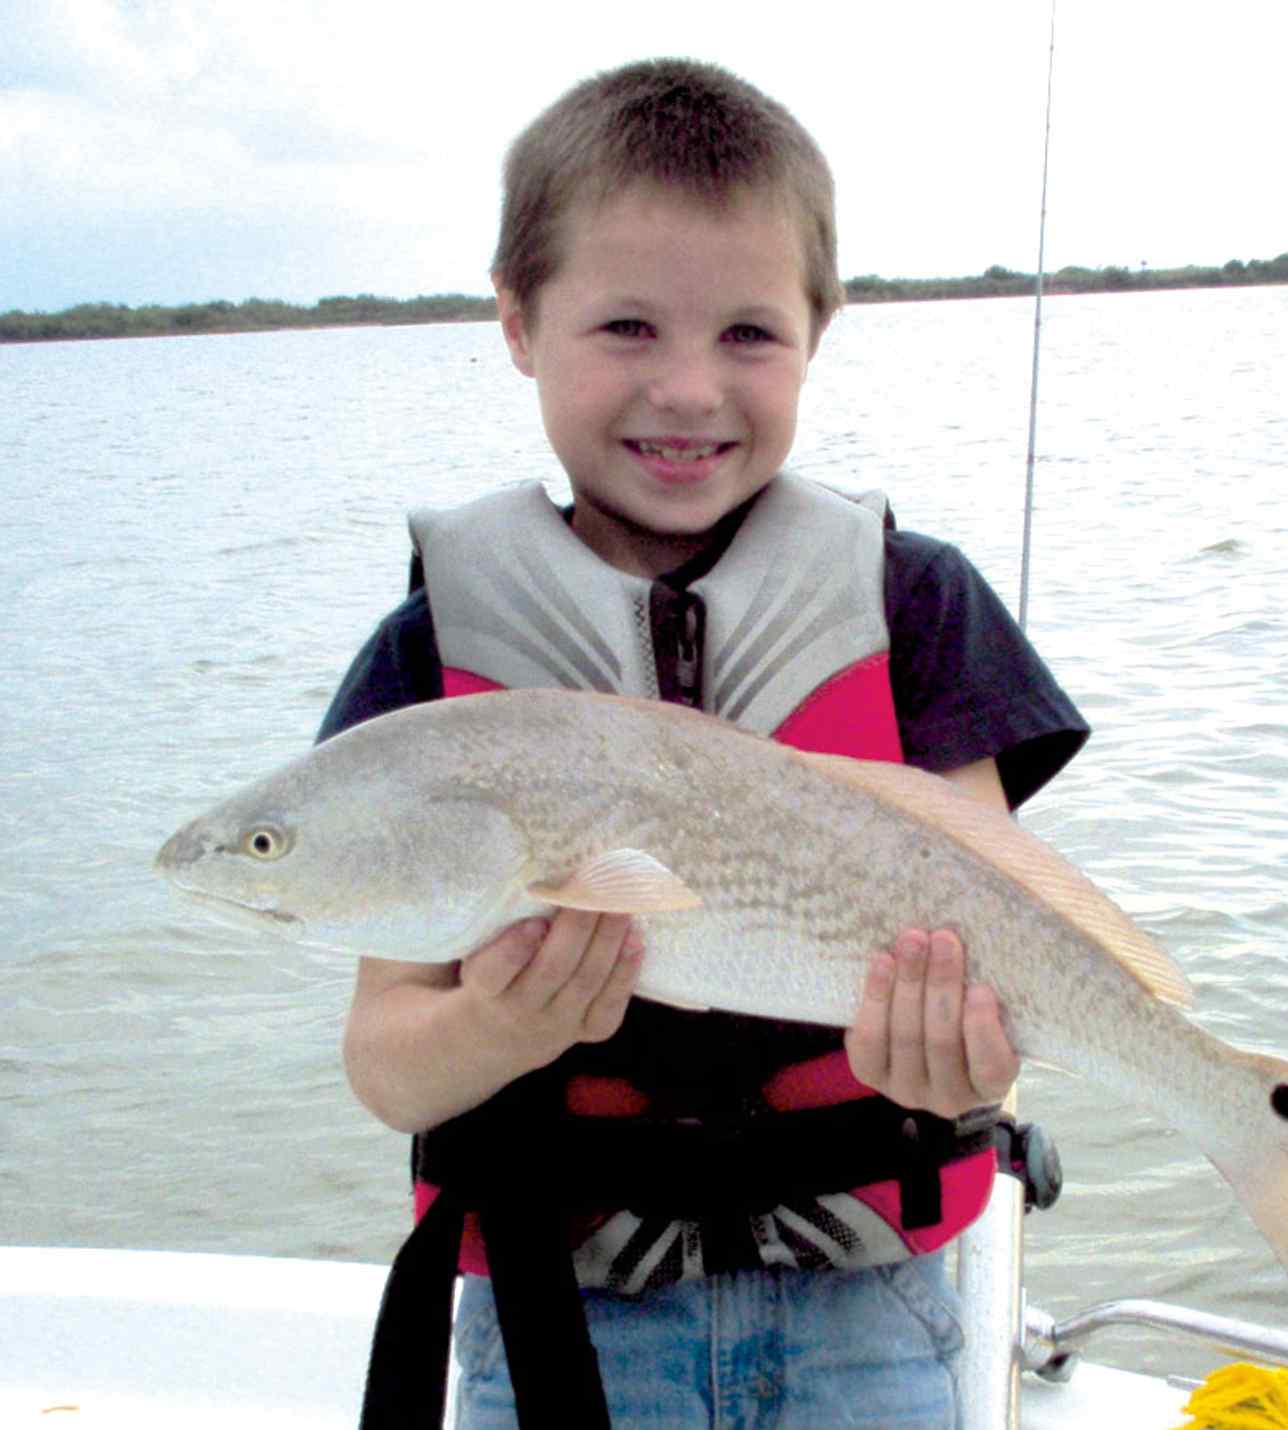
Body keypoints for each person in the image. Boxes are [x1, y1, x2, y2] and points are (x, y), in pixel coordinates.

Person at [323, 58, 1087, 1430]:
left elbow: (1001, 945)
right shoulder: (432, 659)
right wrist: (496, 1024)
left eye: (748, 333)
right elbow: (387, 1061)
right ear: (517, 321)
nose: (688, 389)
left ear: (817, 333)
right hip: (556, 1323)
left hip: (871, 1316)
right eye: (627, 326)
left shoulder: (917, 607)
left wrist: (968, 1060)